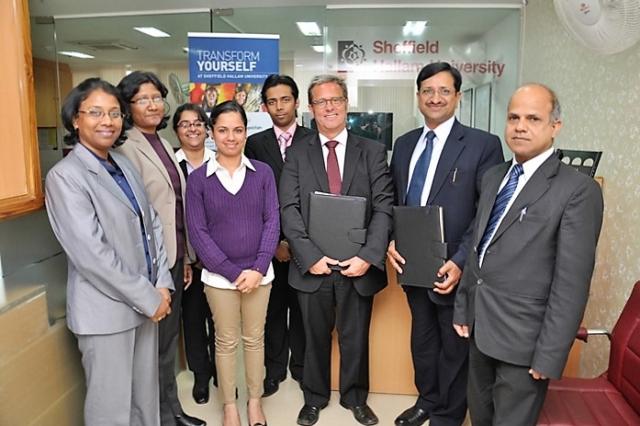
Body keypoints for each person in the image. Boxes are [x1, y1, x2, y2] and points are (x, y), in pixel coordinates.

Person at [453, 83, 604, 426]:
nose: (520, 126)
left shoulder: (578, 190)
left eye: (533, 118)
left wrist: (550, 354)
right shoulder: (493, 177)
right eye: (514, 117)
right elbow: (480, 247)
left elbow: (572, 283)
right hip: (480, 328)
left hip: (526, 342)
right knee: (480, 417)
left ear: (555, 126)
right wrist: (463, 306)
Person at [45, 77, 174, 425]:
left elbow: (152, 224)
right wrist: (148, 297)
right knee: (112, 410)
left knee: (145, 401)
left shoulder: (123, 164)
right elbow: (92, 255)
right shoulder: (66, 176)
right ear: (75, 119)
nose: (107, 121)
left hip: (146, 305)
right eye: (96, 112)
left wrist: (162, 283)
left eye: (114, 113)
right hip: (106, 314)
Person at [387, 62, 504, 426]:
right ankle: (427, 400)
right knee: (422, 340)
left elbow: (487, 213)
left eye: (443, 91)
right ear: (418, 96)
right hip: (413, 262)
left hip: (455, 264)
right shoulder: (404, 145)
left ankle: (448, 416)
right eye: (428, 91)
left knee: (454, 345)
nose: (435, 98)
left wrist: (461, 260)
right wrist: (391, 239)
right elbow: (395, 200)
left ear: (457, 96)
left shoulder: (483, 145)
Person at [279, 75, 393, 426]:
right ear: (310, 108)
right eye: (321, 101)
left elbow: (384, 207)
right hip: (313, 265)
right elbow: (289, 209)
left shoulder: (372, 151)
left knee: (354, 338)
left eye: (335, 100)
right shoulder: (297, 153)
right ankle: (313, 398)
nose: (329, 107)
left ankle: (355, 398)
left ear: (346, 103)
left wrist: (368, 257)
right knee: (313, 338)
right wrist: (310, 256)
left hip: (358, 266)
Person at [115, 71, 205, 426]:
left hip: (174, 257)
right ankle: (162, 415)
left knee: (167, 343)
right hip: (150, 266)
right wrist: (156, 272)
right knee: (154, 346)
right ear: (128, 106)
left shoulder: (163, 143)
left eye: (156, 97)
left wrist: (185, 259)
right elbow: (135, 216)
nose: (153, 105)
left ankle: (171, 411)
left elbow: (174, 208)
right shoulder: (125, 147)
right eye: (143, 99)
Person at [186, 101, 279, 426]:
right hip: (219, 278)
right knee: (225, 342)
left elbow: (272, 222)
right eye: (223, 130)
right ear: (211, 133)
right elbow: (198, 232)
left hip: (259, 276)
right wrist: (232, 272)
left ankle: (254, 402)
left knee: (254, 339)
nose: (231, 137)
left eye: (238, 130)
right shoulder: (199, 179)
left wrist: (257, 268)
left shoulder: (262, 173)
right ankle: (229, 406)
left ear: (246, 132)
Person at [244, 74, 314, 397]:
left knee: (302, 310)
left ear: (297, 102)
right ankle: (274, 370)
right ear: (265, 106)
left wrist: (298, 243)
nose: (279, 107)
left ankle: (300, 366)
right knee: (272, 311)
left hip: (307, 246)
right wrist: (274, 244)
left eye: (285, 99)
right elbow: (252, 199)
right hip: (268, 247)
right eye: (272, 101)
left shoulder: (313, 140)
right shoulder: (255, 144)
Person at [173, 103, 217, 404]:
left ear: (207, 129)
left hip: (220, 257)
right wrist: (187, 257)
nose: (192, 128)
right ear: (176, 130)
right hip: (188, 258)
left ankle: (222, 373)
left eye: (198, 122)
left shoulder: (221, 160)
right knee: (192, 320)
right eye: (185, 123)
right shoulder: (171, 165)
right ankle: (201, 375)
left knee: (221, 320)